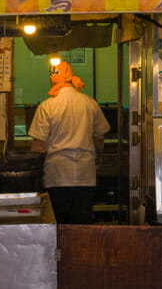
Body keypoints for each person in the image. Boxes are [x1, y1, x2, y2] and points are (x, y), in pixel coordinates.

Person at [27, 61, 110, 225]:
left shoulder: (47, 106)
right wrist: (98, 159)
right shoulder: (89, 103)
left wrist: (34, 175)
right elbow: (99, 138)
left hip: (57, 175)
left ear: (52, 79)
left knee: (59, 223)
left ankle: (60, 251)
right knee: (82, 223)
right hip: (86, 174)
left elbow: (38, 146)